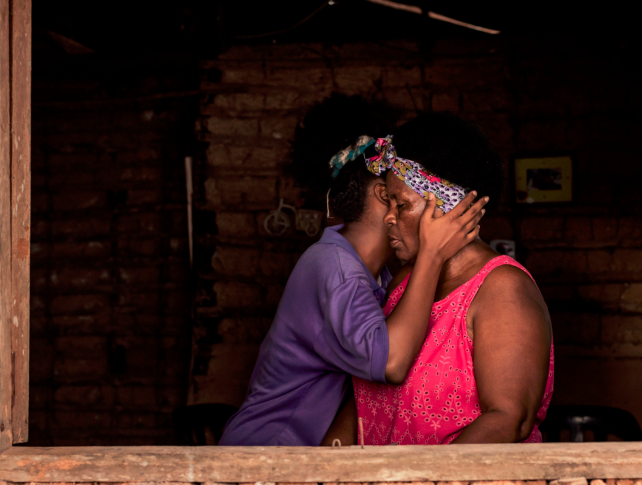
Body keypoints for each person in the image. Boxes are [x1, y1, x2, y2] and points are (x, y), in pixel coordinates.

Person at [218, 96, 488, 446]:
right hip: (265, 459)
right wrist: (432, 257)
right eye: (400, 195)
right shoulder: (332, 266)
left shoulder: (378, 277)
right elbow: (390, 363)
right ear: (383, 195)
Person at [325, 112, 554, 445]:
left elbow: (507, 420)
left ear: (448, 209)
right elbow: (366, 400)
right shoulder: (404, 282)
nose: (388, 217)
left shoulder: (502, 290)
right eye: (388, 202)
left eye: (401, 205)